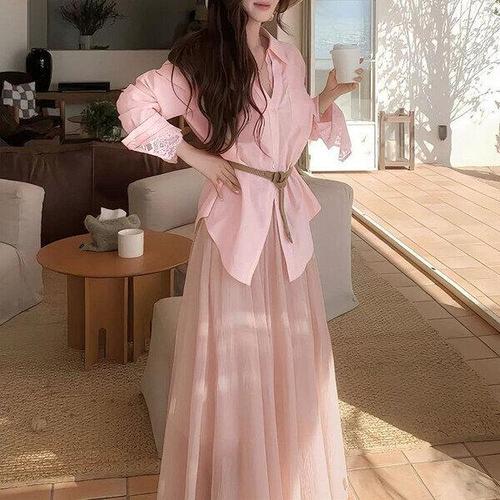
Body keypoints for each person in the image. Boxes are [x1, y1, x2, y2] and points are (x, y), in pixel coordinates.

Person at [116, 0, 363, 498]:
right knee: (235, 355)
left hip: (286, 221)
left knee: (289, 348)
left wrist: (327, 95)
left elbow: (290, 132)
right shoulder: (203, 56)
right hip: (235, 223)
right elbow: (134, 103)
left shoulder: (287, 57)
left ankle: (285, 475)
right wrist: (195, 157)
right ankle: (237, 480)